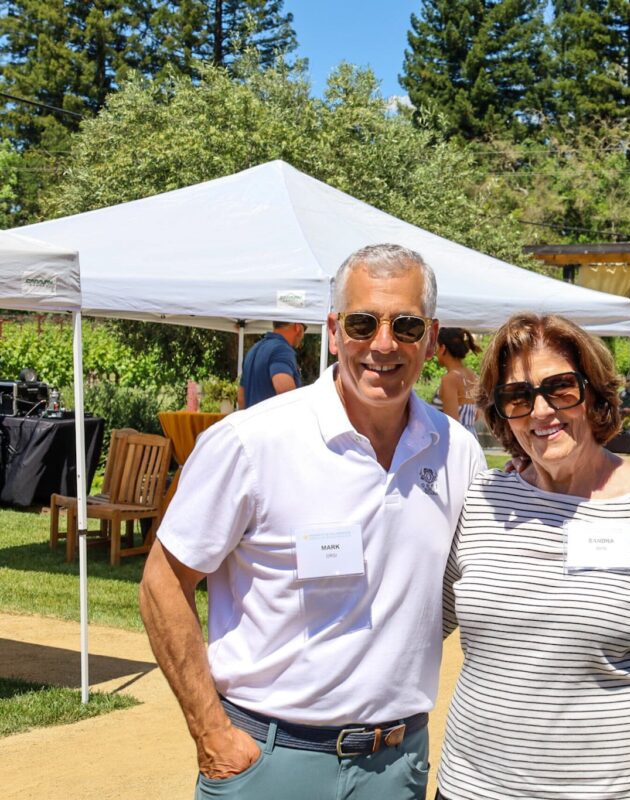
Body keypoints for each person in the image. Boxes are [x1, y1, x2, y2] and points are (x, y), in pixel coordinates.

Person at [139, 243, 485, 800]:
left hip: (395, 766)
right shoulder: (251, 442)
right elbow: (162, 582)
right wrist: (211, 734)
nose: (383, 344)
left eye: (406, 325)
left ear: (431, 334)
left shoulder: (456, 453)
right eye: (362, 322)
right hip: (270, 764)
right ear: (332, 330)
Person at [436, 312, 630, 800]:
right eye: (518, 398)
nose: (541, 412)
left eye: (560, 389)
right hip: (472, 789)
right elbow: (425, 622)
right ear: (501, 414)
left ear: (595, 394)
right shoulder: (481, 502)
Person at [237, 320, 305, 408]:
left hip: (252, 419)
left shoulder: (253, 349)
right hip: (273, 421)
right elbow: (285, 393)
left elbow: (241, 398)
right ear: (297, 327)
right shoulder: (282, 349)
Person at [431, 327, 481, 435]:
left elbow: (452, 423)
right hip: (471, 437)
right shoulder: (473, 377)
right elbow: (476, 415)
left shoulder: (450, 379)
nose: (435, 352)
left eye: (436, 347)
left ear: (443, 348)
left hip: (456, 443)